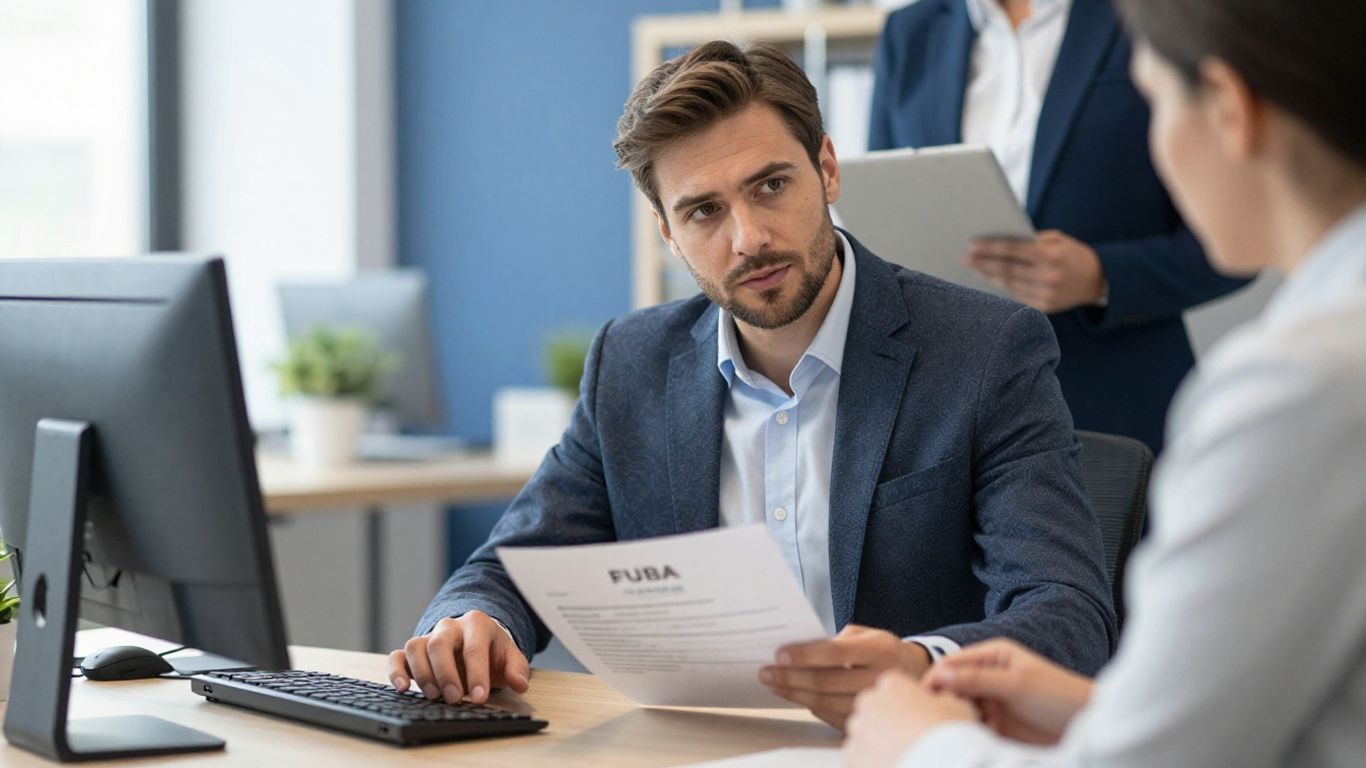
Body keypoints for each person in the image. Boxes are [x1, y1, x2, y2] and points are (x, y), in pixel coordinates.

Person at [388, 40, 1117, 731]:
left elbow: (1066, 611)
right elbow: (515, 563)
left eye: (771, 186)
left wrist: (919, 663)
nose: (749, 238)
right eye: (704, 211)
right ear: (668, 235)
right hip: (700, 749)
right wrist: (469, 621)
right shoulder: (631, 364)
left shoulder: (985, 350)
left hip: (911, 745)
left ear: (827, 169)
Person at [845, 0, 1366, 763]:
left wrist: (924, 743)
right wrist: (1101, 706)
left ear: (1229, 109)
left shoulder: (1294, 390)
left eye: (1155, 101)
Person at [869, 0, 1250, 451]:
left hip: (1117, 414)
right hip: (950, 421)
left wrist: (1101, 276)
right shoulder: (909, 32)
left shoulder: (1149, 16)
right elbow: (881, 225)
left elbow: (1238, 243)